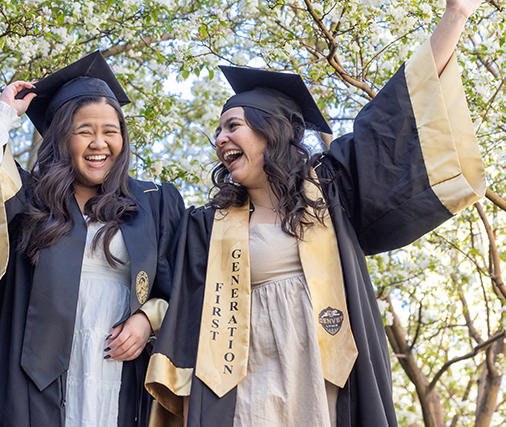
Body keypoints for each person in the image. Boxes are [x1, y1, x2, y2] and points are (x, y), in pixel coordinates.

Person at [145, 1, 486, 426]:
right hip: (243, 383)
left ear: (270, 129)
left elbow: (394, 115)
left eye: (232, 125)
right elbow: (180, 306)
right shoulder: (206, 225)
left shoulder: (329, 190)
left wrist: (455, 15)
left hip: (324, 373)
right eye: (218, 130)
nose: (220, 138)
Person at [0, 52, 184, 427]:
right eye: (84, 131)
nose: (99, 143)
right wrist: (2, 116)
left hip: (118, 369)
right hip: (28, 373)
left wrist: (148, 320)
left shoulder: (152, 202)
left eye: (110, 131)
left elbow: (180, 286)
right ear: (61, 137)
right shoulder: (28, 198)